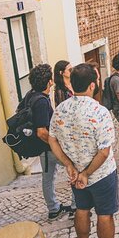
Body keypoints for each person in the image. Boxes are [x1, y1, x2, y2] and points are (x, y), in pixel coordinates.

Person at [49, 64, 119, 238]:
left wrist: (69, 165)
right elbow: (104, 151)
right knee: (104, 214)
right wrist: (87, 173)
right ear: (92, 85)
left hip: (75, 173)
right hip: (101, 175)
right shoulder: (100, 111)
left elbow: (52, 140)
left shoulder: (60, 110)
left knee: (82, 209)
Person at [25, 64, 74, 220]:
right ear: (47, 82)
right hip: (49, 148)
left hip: (42, 149)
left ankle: (53, 209)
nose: (52, 82)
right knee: (74, 167)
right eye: (50, 79)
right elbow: (42, 132)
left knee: (48, 178)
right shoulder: (41, 102)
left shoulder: (31, 95)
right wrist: (57, 146)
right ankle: (76, 206)